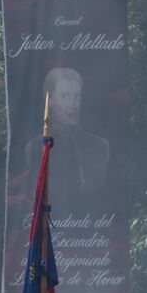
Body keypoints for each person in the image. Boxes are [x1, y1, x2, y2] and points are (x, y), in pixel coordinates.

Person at [23, 67, 111, 215]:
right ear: (49, 101)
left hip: (93, 227)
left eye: (76, 96)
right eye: (65, 97)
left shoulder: (100, 146)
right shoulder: (35, 148)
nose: (72, 105)